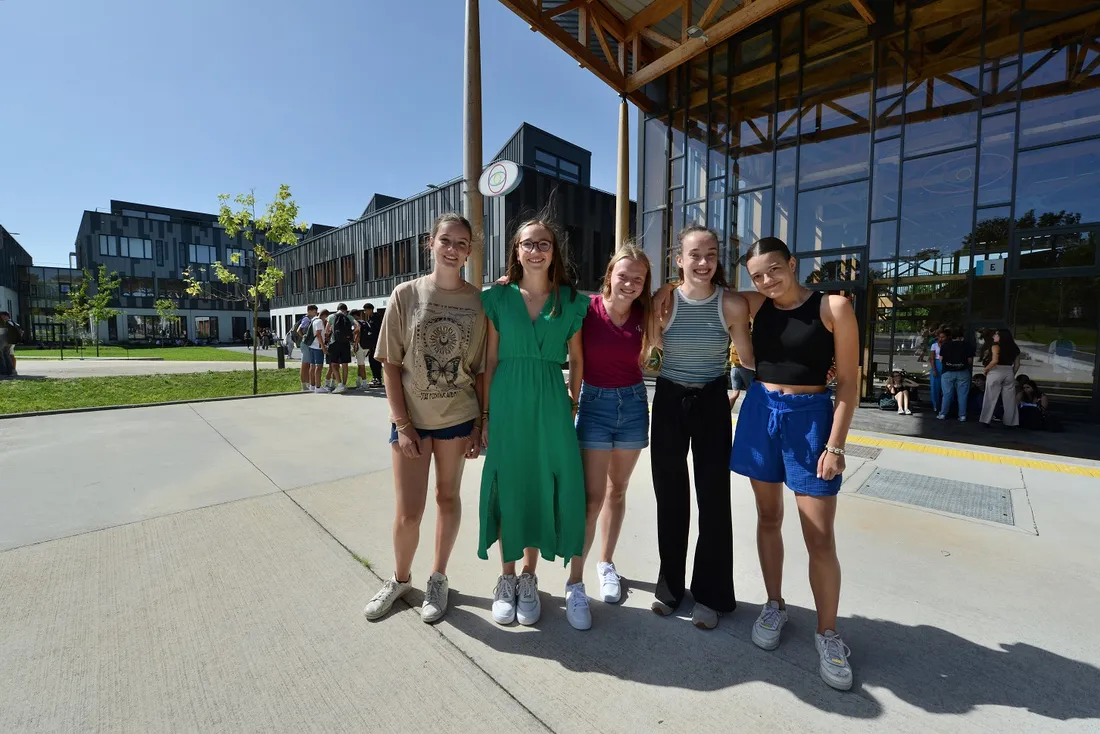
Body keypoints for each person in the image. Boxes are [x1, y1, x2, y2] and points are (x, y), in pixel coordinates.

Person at [727, 237, 859, 692]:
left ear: (793, 264)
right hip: (761, 412)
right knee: (768, 518)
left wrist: (836, 446)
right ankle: (774, 604)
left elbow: (848, 384)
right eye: (757, 275)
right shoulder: (753, 304)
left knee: (819, 535)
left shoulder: (833, 307)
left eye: (773, 270)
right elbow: (692, 289)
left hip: (811, 421)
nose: (766, 281)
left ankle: (828, 633)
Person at [362, 213, 488, 625]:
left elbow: (483, 369)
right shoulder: (406, 294)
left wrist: (480, 422)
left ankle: (438, 578)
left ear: (470, 250)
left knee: (448, 499)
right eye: (445, 241)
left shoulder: (479, 302)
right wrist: (401, 424)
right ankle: (399, 579)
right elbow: (390, 364)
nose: (453, 249)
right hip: (411, 422)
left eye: (461, 243)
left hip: (458, 418)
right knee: (408, 512)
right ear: (430, 243)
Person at [479, 217, 588, 628]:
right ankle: (506, 579)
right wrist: (486, 413)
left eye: (544, 243)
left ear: (553, 251)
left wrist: (573, 404)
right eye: (528, 244)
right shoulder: (498, 297)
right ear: (517, 251)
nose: (536, 250)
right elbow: (489, 360)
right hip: (507, 399)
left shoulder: (571, 300)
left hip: (551, 403)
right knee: (509, 484)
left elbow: (577, 359)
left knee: (544, 484)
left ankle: (529, 576)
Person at [649, 225, 753, 631]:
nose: (704, 261)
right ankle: (670, 587)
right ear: (679, 259)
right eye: (695, 254)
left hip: (711, 400)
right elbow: (649, 348)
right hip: (670, 399)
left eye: (711, 254)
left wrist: (736, 389)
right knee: (670, 497)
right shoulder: (663, 301)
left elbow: (746, 357)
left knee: (713, 500)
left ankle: (710, 595)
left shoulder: (731, 304)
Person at [566, 243, 655, 629]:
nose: (630, 283)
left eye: (638, 278)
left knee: (617, 490)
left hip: (634, 404)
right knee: (591, 498)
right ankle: (575, 582)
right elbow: (546, 293)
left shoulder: (646, 314)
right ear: (609, 274)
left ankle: (606, 563)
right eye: (624, 275)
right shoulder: (586, 308)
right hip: (595, 405)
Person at [981, 328, 1021, 427]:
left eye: (996, 335)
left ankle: (986, 420)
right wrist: (1012, 373)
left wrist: (986, 369)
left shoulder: (995, 346)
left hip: (996, 371)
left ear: (1001, 337)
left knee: (990, 397)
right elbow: (1017, 364)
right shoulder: (1015, 348)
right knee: (1010, 399)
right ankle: (1011, 422)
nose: (994, 336)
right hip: (1008, 371)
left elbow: (995, 361)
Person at [937, 326, 975, 421]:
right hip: (963, 372)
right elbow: (970, 361)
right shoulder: (967, 345)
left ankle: (943, 414)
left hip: (948, 372)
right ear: (961, 336)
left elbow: (941, 359)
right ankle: (962, 415)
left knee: (947, 394)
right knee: (962, 395)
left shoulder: (946, 345)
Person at [325, 303, 355, 393]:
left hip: (335, 342)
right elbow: (358, 326)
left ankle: (339, 384)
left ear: (337, 309)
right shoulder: (349, 317)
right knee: (345, 364)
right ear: (346, 309)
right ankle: (345, 385)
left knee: (334, 364)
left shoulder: (331, 317)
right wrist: (350, 334)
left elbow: (327, 331)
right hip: (346, 343)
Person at [729, 341, 755, 411]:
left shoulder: (734, 340)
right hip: (746, 369)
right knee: (750, 393)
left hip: (734, 368)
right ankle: (749, 413)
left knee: (735, 394)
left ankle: (724, 413)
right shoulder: (747, 339)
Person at [363, 303, 383, 388]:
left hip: (376, 342)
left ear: (370, 309)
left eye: (365, 310)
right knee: (371, 360)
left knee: (376, 361)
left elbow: (378, 331)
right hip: (371, 343)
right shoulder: (370, 319)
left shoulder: (376, 318)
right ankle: (375, 377)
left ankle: (378, 379)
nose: (365, 312)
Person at [294, 312, 315, 391]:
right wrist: (303, 337)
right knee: (304, 364)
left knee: (308, 365)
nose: (316, 313)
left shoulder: (309, 319)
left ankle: (308, 383)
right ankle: (304, 385)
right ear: (310, 311)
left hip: (308, 344)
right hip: (305, 343)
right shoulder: (306, 319)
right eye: (315, 311)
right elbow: (299, 330)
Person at [312, 309, 331, 393]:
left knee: (314, 366)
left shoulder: (314, 320)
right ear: (325, 316)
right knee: (319, 366)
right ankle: (318, 386)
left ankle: (313, 385)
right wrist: (323, 347)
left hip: (312, 346)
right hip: (318, 347)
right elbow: (318, 334)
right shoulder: (319, 322)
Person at [929, 327, 946, 414]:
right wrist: (934, 369)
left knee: (945, 388)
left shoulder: (947, 345)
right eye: (939, 337)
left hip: (945, 365)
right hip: (936, 365)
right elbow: (931, 358)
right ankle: (935, 405)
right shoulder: (934, 345)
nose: (940, 339)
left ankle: (944, 406)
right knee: (935, 387)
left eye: (942, 337)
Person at [351, 309, 369, 389]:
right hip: (367, 346)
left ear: (354, 316)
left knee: (361, 365)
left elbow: (357, 333)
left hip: (360, 345)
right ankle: (358, 381)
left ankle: (364, 383)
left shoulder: (356, 323)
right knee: (360, 364)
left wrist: (355, 345)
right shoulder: (365, 322)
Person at [0, 311, 22, 377]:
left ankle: (4, 372)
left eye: (2, 316)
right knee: (7, 355)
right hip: (10, 342)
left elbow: (2, 333)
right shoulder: (13, 322)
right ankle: (11, 371)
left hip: (3, 341)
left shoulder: (4, 323)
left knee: (1, 356)